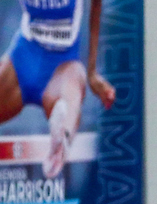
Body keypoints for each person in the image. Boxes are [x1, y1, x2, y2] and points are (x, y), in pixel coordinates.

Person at [0, 0, 115, 179]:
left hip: (62, 64)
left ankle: (61, 142)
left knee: (73, 88)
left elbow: (96, 4)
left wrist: (92, 72)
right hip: (23, 58)